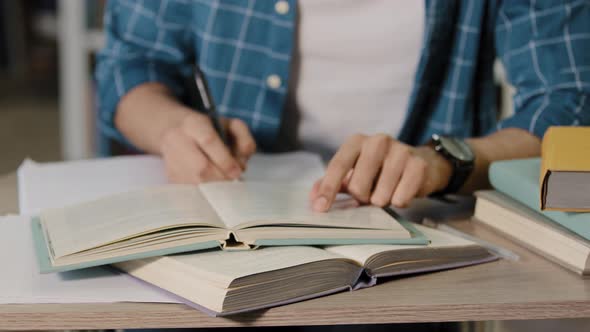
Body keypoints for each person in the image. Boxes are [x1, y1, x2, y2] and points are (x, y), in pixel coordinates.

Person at [96, 0, 590, 212]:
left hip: (413, 245)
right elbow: (131, 65)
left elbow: (568, 103)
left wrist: (444, 162)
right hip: (215, 232)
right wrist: (170, 127)